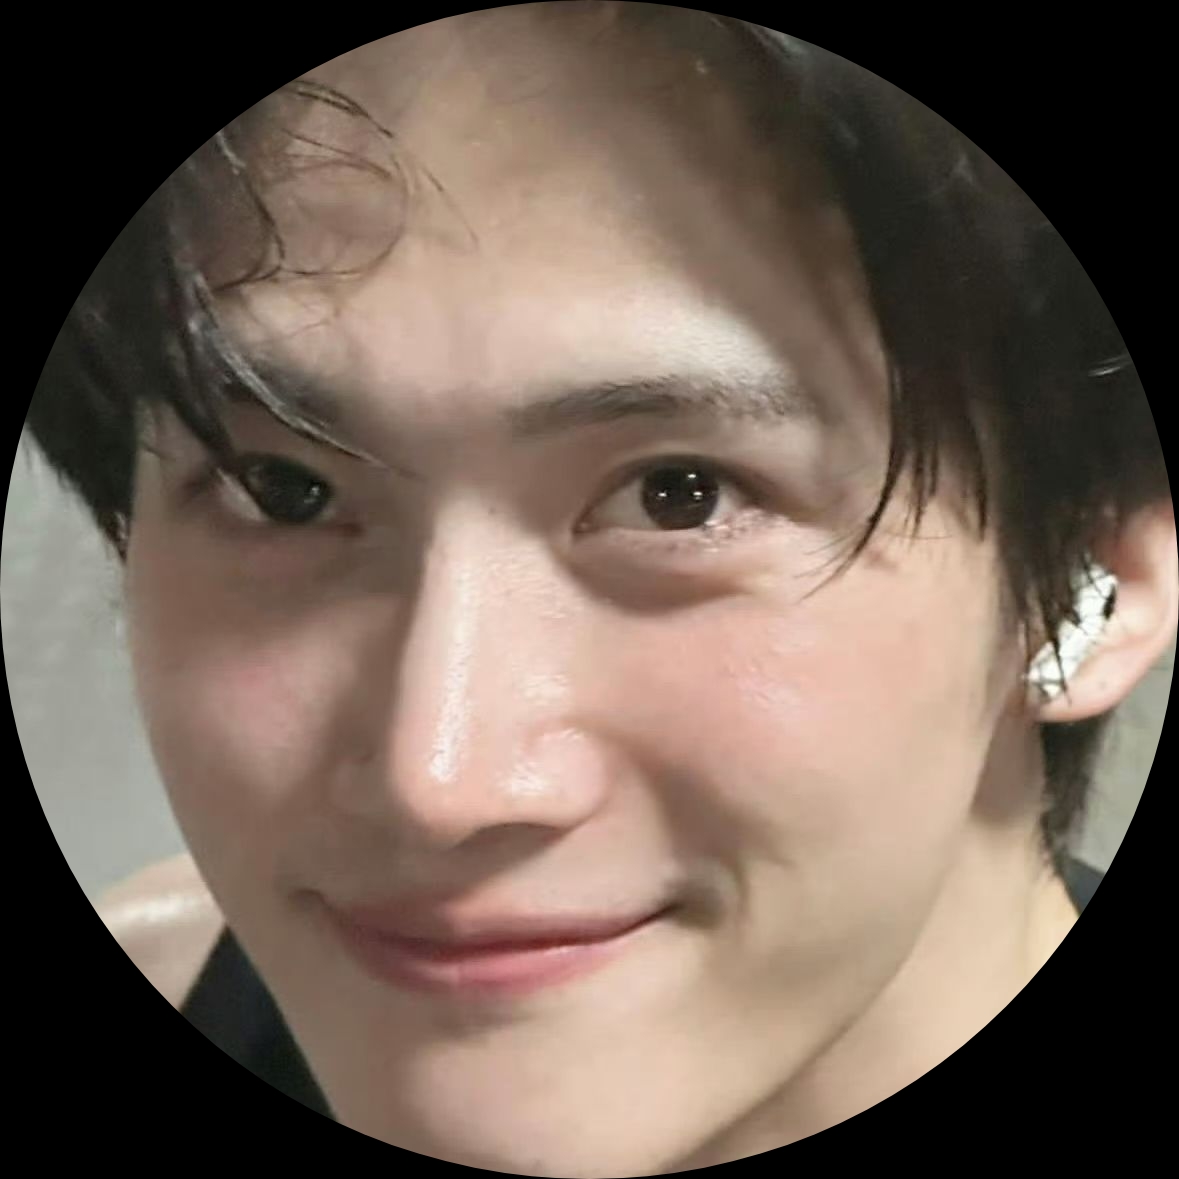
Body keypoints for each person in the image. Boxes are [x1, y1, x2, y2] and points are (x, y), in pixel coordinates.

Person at [27, 5, 1175, 1175]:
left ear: (1096, 577)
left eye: (681, 496)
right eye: (283, 490)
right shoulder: (170, 972)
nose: (439, 782)